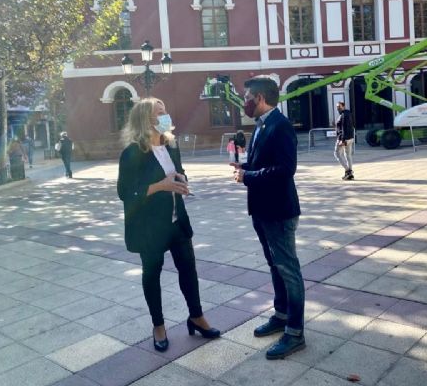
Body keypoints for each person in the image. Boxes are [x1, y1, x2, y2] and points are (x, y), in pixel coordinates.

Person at [117, 97, 219, 353]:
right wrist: (161, 185)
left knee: (188, 271)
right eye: (160, 113)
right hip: (149, 226)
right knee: (152, 275)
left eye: (165, 111)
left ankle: (196, 316)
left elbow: (178, 171)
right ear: (145, 120)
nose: (166, 117)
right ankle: (159, 325)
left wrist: (182, 181)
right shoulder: (132, 152)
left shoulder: (170, 146)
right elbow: (125, 192)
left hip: (177, 221)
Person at [232, 77, 305, 360]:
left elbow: (286, 169)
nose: (245, 101)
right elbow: (265, 162)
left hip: (279, 211)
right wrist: (245, 166)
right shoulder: (262, 124)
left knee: (288, 270)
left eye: (247, 95)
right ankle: (281, 315)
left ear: (260, 97)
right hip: (262, 209)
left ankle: (295, 332)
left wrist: (248, 176)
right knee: (275, 266)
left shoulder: (281, 125)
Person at [334, 101, 355, 180]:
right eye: (337, 107)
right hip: (350, 137)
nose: (337, 108)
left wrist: (342, 139)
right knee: (348, 155)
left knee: (337, 154)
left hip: (344, 138)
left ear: (343, 106)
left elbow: (343, 128)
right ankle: (350, 174)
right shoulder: (348, 114)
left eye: (339, 107)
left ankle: (348, 170)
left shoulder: (343, 115)